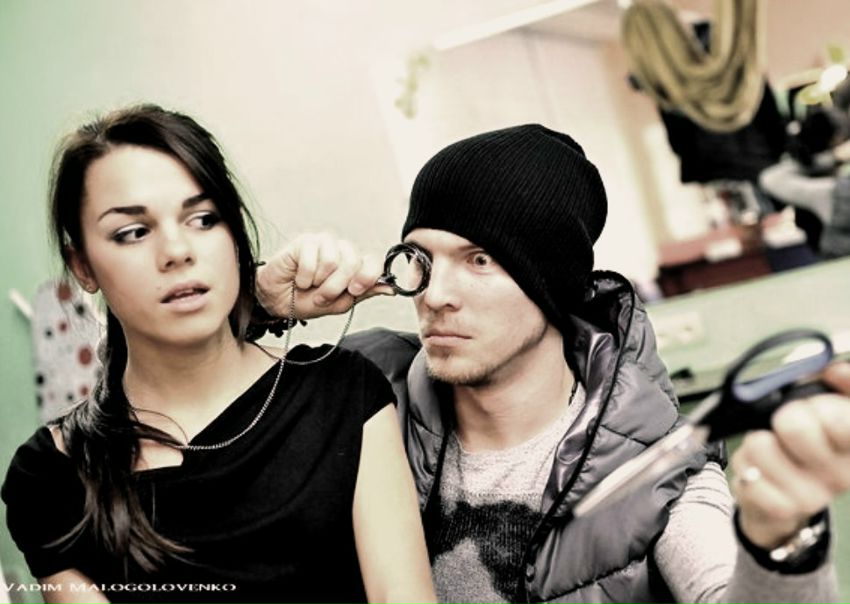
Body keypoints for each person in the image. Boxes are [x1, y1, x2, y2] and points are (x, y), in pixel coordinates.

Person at [256, 124, 850, 603]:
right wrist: (260, 306)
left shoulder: (657, 469)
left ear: (551, 285)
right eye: (421, 258)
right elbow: (199, 418)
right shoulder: (363, 396)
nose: (435, 295)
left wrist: (780, 542)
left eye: (480, 259)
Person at [1, 105, 436, 604]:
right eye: (133, 232)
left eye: (204, 219)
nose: (177, 250)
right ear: (81, 265)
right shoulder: (51, 476)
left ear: (234, 234)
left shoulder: (342, 391)